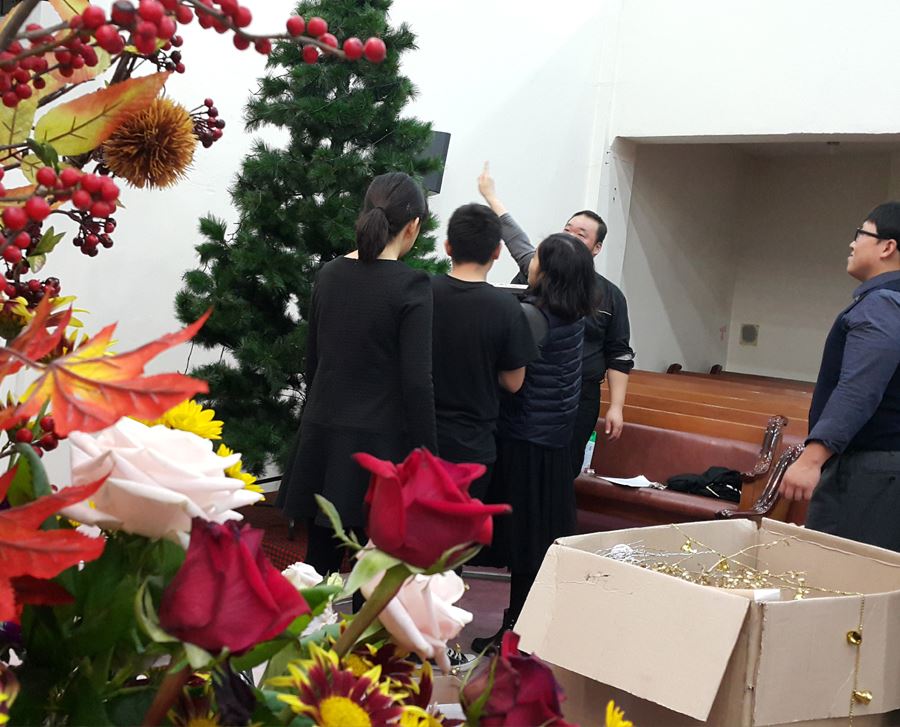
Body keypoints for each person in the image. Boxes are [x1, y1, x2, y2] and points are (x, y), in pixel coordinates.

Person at [277, 172, 437, 575]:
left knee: (319, 566)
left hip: (324, 433)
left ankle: (311, 619)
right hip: (380, 445)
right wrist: (428, 454)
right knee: (375, 571)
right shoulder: (412, 285)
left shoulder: (329, 274)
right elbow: (417, 381)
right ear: (413, 226)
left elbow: (313, 361)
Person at [471, 232, 596, 653]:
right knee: (536, 542)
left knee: (522, 543)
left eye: (537, 259)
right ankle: (524, 629)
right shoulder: (574, 313)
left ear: (550, 271)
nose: (531, 264)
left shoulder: (532, 316)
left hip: (524, 441)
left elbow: (511, 379)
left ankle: (514, 633)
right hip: (554, 442)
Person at [477, 163, 635, 477]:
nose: (570, 237)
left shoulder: (607, 296)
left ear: (596, 248)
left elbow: (619, 354)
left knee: (558, 469)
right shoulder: (541, 278)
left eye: (581, 235)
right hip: (527, 393)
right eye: (567, 230)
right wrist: (491, 197)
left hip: (574, 398)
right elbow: (518, 243)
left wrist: (616, 407)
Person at [780, 202, 900, 552]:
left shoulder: (882, 303)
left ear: (887, 247)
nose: (852, 243)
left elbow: (860, 387)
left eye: (860, 234)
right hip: (885, 470)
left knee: (839, 569)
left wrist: (812, 458)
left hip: (869, 472)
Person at [431, 203, 539, 498]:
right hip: (472, 445)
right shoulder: (507, 307)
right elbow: (514, 382)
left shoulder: (421, 292)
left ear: (448, 246)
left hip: (416, 435)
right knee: (460, 525)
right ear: (497, 252)